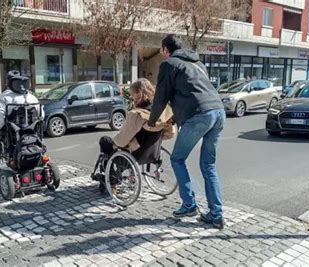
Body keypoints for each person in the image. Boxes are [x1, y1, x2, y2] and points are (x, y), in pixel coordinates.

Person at [148, 34, 226, 229]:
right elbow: (191, 92)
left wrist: (151, 121)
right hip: (218, 112)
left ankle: (189, 205)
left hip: (200, 116)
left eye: (162, 50)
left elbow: (161, 97)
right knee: (208, 164)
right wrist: (176, 117)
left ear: (166, 49)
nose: (162, 53)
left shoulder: (169, 64)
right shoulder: (198, 63)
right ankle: (216, 214)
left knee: (177, 159)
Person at [96, 78, 174, 170]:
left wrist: (115, 142)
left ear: (138, 93)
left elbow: (121, 141)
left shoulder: (137, 114)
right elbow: (169, 134)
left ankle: (111, 179)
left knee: (105, 141)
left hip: (134, 154)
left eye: (132, 94)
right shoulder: (164, 110)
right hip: (152, 152)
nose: (131, 97)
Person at [0, 70, 43, 143]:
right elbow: (41, 115)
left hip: (12, 133)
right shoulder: (32, 97)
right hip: (31, 131)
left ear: (8, 82)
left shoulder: (5, 97)